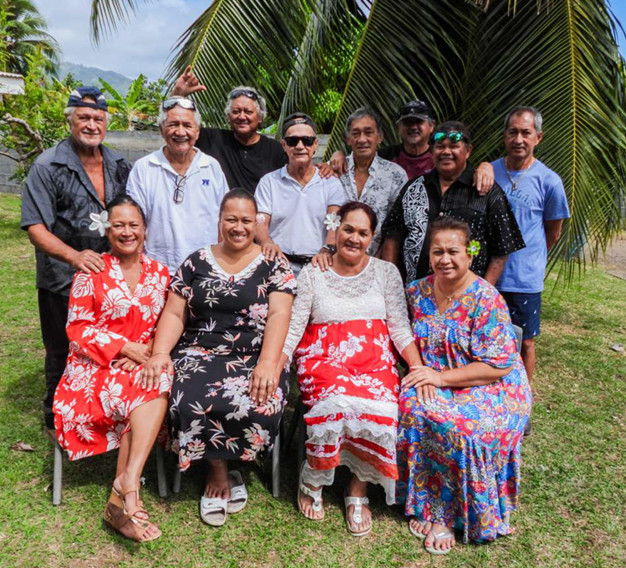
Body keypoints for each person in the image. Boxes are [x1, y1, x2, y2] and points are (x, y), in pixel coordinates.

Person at [142, 189, 296, 527]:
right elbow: (174, 313)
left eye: (245, 220)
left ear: (256, 222)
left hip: (255, 352)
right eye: (231, 219)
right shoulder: (196, 261)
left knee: (262, 400)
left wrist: (268, 363)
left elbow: (279, 315)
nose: (238, 227)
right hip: (198, 350)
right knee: (188, 399)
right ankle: (217, 468)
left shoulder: (275, 263)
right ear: (219, 221)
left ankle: (236, 456)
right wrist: (160, 353)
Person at [281, 201, 424, 537]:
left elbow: (400, 328)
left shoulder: (386, 272)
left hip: (375, 362)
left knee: (386, 410)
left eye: (363, 233)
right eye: (349, 229)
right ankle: (313, 477)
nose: (354, 238)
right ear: (336, 230)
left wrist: (416, 367)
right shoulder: (314, 272)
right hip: (324, 359)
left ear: (372, 237)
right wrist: (278, 361)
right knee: (337, 403)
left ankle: (357, 490)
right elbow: (296, 323)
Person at [397, 216, 532, 554]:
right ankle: (424, 500)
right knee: (412, 406)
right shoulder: (416, 292)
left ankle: (445, 514)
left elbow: (497, 366)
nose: (445, 259)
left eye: (453, 251)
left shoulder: (486, 299)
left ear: (470, 254)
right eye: (437, 252)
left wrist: (441, 378)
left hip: (492, 386)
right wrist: (425, 372)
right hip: (436, 377)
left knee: (462, 427)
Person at [53, 195, 171, 542]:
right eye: (118, 225)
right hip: (92, 368)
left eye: (133, 224)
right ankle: (125, 496)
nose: (126, 231)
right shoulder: (92, 271)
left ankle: (125, 485)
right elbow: (77, 328)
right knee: (142, 389)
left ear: (145, 230)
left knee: (156, 375)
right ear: (107, 230)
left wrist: (144, 351)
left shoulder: (161, 273)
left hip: (141, 363)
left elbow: (169, 321)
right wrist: (123, 347)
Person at [20, 86, 131, 432]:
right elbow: (35, 226)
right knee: (61, 347)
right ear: (70, 120)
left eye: (98, 118)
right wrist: (73, 256)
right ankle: (56, 418)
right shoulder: (48, 165)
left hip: (107, 278)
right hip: (62, 278)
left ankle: (99, 413)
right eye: (83, 117)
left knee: (104, 345)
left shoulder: (117, 163)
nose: (91, 124)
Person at [381, 121, 525, 283]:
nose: (446, 152)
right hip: (414, 296)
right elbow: (392, 237)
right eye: (440, 146)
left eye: (454, 146)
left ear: (468, 151)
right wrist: (392, 287)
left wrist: (482, 293)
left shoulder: (487, 192)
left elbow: (501, 251)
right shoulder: (414, 188)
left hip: (465, 300)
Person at [493, 106, 570, 391]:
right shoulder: (490, 172)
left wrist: (529, 260)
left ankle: (521, 400)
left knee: (525, 341)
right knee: (487, 336)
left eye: (526, 132)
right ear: (504, 136)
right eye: (512, 132)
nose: (518, 139)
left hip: (525, 280)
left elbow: (553, 232)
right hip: (490, 276)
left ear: (538, 137)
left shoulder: (550, 181)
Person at [126, 96, 229, 274]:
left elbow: (223, 220)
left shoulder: (211, 167)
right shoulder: (144, 168)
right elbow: (135, 224)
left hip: (205, 272)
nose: (180, 132)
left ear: (197, 132)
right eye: (173, 124)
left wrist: (222, 267)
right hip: (156, 272)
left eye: (187, 125)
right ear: (161, 130)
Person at [255, 113, 345, 276]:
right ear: (283, 145)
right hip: (278, 265)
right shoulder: (269, 182)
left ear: (315, 144)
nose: (300, 146)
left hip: (320, 265)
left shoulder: (330, 183)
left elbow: (335, 221)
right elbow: (260, 221)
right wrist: (267, 243)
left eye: (307, 140)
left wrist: (328, 248)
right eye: (292, 141)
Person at [329, 99, 494, 188]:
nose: (413, 127)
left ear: (431, 126)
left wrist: (485, 166)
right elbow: (361, 156)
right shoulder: (387, 156)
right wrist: (339, 154)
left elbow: (466, 170)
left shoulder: (442, 156)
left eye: (419, 122)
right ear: (399, 128)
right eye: (407, 123)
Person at [172, 67, 287, 193]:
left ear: (260, 117)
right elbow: (175, 127)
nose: (242, 117)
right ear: (228, 117)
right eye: (236, 112)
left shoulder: (276, 151)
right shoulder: (212, 139)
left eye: (248, 112)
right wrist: (178, 95)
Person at [334, 106, 407, 257]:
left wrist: (383, 265)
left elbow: (395, 228)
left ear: (379, 137)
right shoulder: (333, 171)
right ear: (348, 139)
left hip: (376, 261)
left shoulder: (395, 175)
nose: (362, 139)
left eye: (368, 133)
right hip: (335, 261)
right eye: (356, 133)